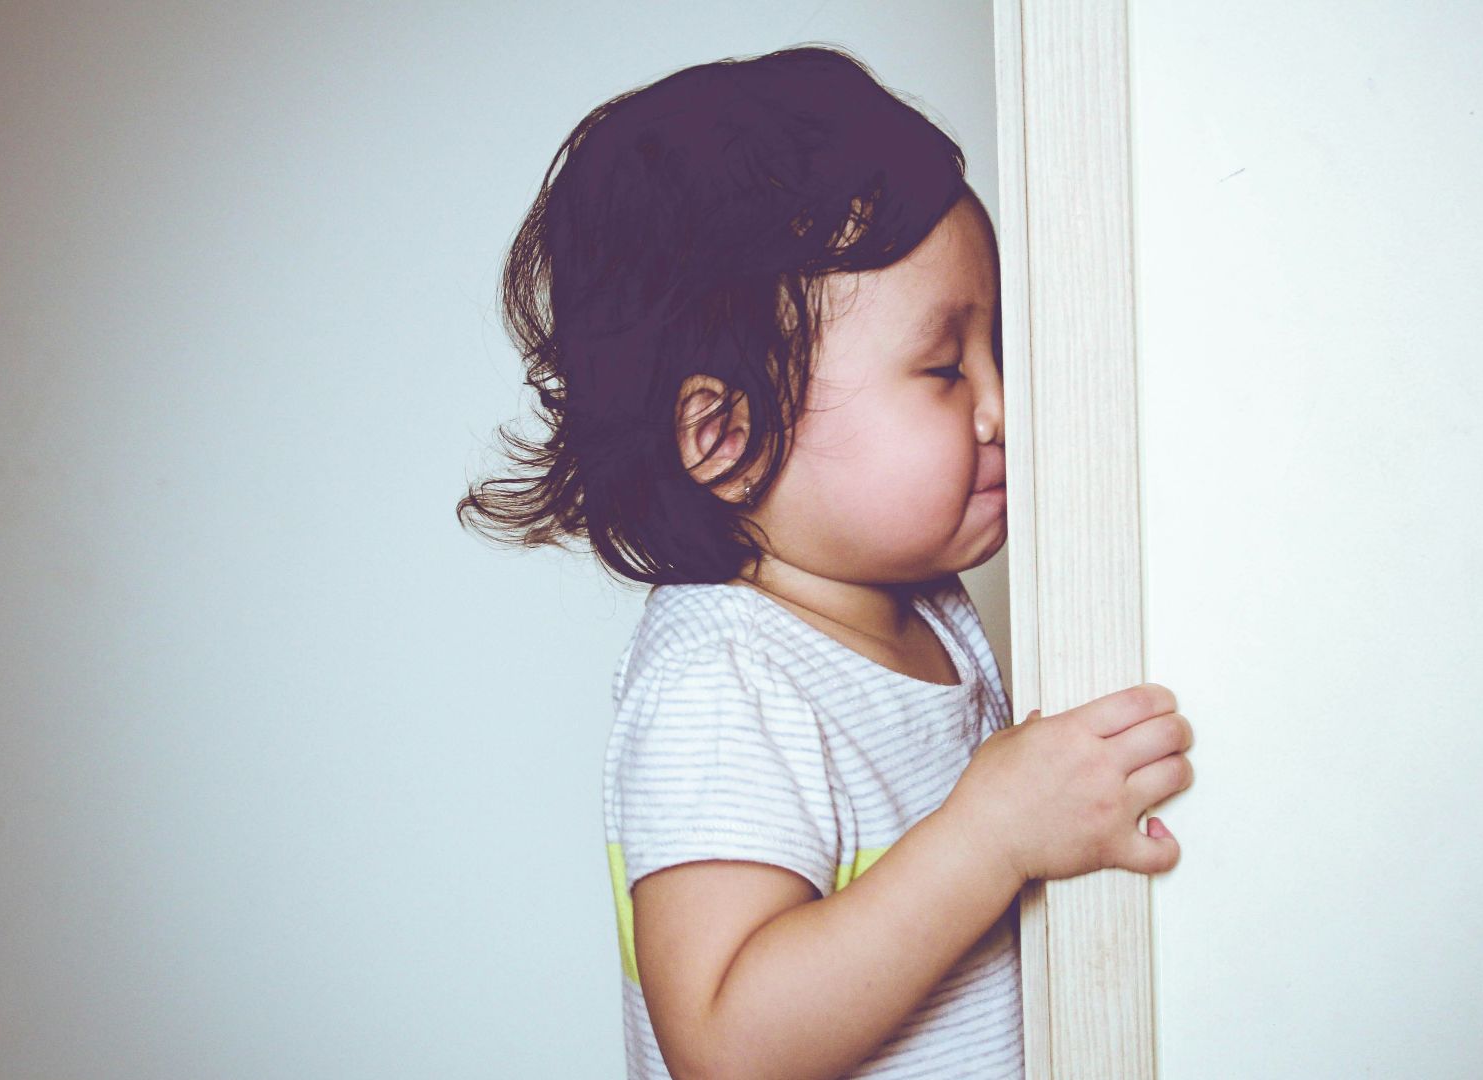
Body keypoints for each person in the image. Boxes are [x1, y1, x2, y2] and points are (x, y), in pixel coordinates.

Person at [457, 43, 1193, 1080]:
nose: (1001, 408)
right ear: (725, 436)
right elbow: (725, 1043)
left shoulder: (926, 612)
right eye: (944, 367)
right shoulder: (721, 682)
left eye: (1001, 356)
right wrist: (993, 837)